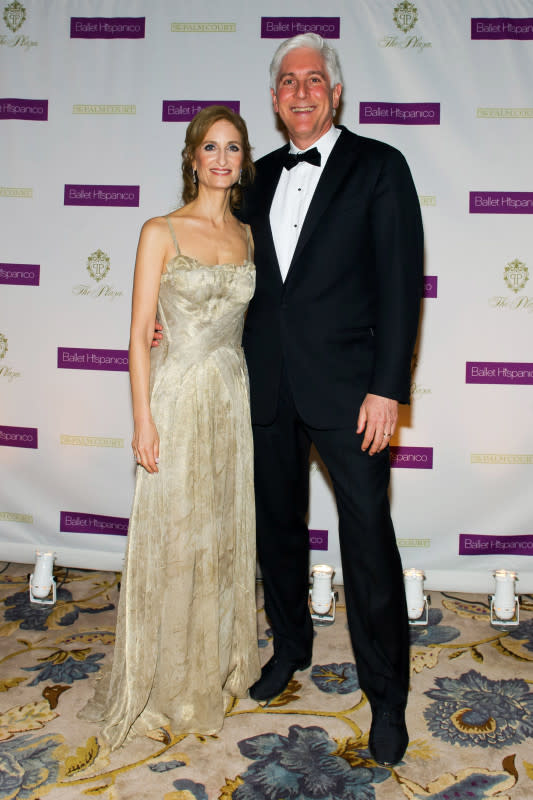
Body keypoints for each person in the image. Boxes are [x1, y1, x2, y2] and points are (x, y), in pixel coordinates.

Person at [240, 33, 423, 767]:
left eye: (314, 79)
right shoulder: (251, 179)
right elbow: (221, 268)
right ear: (276, 98)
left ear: (336, 92)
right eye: (288, 81)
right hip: (265, 386)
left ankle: (386, 697)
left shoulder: (379, 167)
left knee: (367, 543)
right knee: (276, 531)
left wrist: (387, 388)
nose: (301, 91)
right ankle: (289, 650)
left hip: (352, 392)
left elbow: (400, 284)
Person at [81, 105, 260, 749]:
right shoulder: (161, 230)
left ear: (243, 161)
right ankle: (163, 676)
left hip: (230, 397)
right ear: (192, 157)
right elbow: (135, 334)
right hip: (178, 397)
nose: (220, 159)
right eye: (210, 147)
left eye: (233, 148)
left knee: (220, 529)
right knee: (176, 529)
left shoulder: (246, 234)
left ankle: (209, 667)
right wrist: (142, 419)